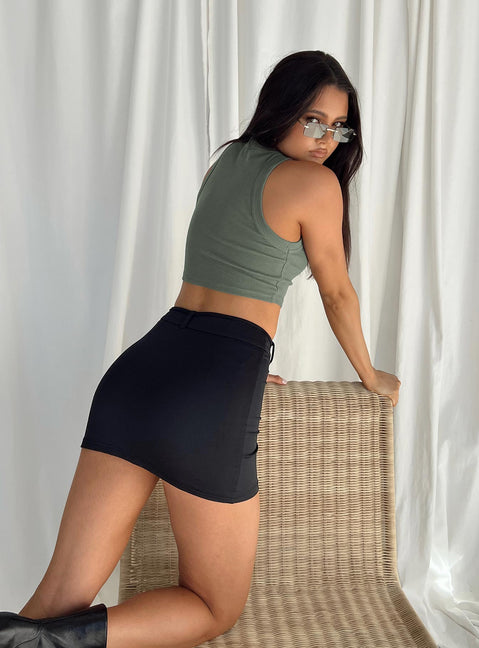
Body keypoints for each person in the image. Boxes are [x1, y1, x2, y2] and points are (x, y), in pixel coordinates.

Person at [0, 50, 401, 648]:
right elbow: (337, 294)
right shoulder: (316, 185)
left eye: (339, 128)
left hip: (142, 372)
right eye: (313, 121)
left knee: (50, 606)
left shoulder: (228, 161)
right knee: (215, 606)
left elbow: (223, 287)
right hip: (209, 393)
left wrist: (243, 369)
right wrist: (371, 375)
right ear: (283, 107)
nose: (326, 140)